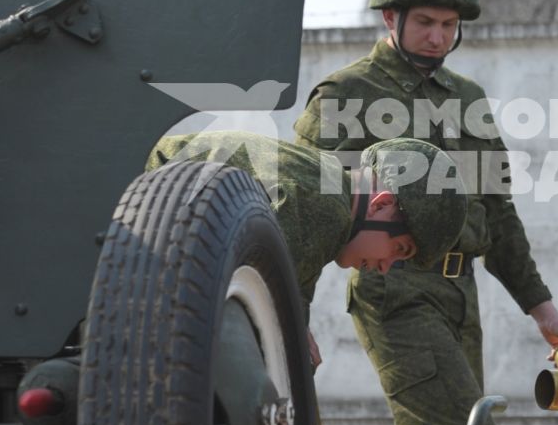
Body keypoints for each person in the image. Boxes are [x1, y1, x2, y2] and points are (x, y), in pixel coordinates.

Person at [294, 0, 558, 425]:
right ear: (390, 19)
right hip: (391, 288)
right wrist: (291, 315)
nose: (437, 36)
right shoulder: (345, 96)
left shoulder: (468, 100)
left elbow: (499, 215)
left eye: (449, 25)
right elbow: (305, 213)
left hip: (461, 294)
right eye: (425, 21)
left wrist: (545, 312)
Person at [144, 131, 468, 360]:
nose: (385, 267)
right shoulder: (325, 210)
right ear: (381, 206)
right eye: (400, 250)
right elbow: (254, 320)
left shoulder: (326, 191)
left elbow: (286, 311)